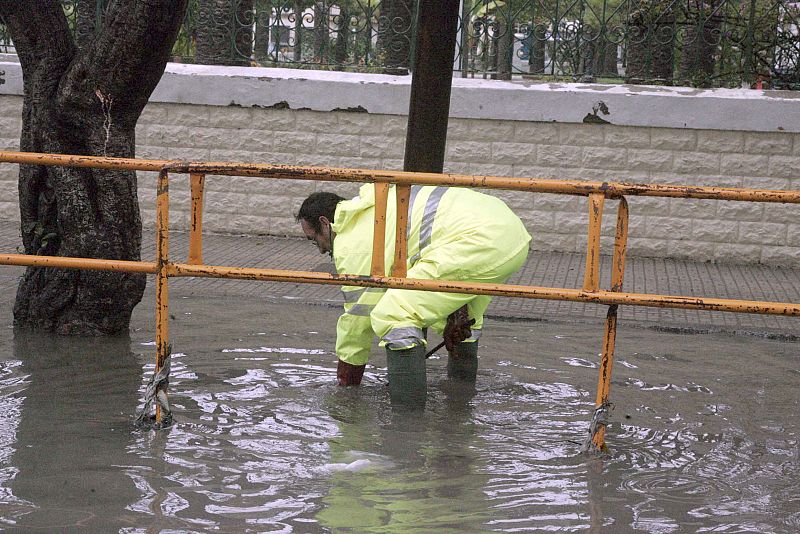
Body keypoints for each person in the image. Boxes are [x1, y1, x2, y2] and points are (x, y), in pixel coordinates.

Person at [296, 184, 531, 405]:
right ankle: (461, 401)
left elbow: (358, 322)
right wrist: (452, 313)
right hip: (510, 234)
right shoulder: (377, 206)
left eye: (314, 240)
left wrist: (345, 389)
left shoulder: (352, 243)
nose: (321, 250)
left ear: (325, 223)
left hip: (478, 240)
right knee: (462, 320)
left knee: (394, 314)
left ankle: (407, 423)